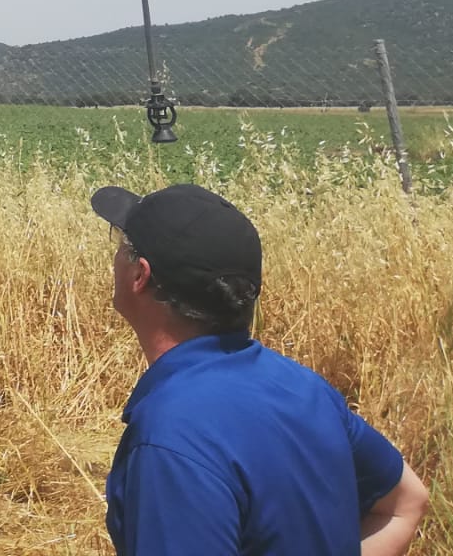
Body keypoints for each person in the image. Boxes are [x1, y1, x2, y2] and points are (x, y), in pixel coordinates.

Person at [90, 182, 429, 555]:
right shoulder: (304, 388)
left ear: (139, 275)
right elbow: (406, 504)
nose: (114, 257)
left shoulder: (171, 439)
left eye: (121, 245)